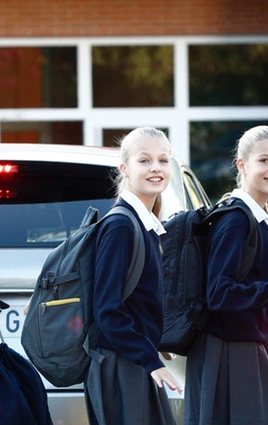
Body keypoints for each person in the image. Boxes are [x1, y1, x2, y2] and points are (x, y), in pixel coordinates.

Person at [185, 125, 268, 425]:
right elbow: (220, 294)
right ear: (242, 164)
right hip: (226, 357)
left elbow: (258, 318)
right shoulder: (236, 220)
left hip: (244, 354)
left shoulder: (255, 219)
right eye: (264, 161)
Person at [85, 126, 182, 425]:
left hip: (134, 361)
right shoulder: (121, 226)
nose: (156, 168)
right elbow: (107, 309)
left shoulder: (145, 224)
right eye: (145, 160)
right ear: (124, 168)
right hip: (120, 366)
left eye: (163, 160)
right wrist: (147, 357)